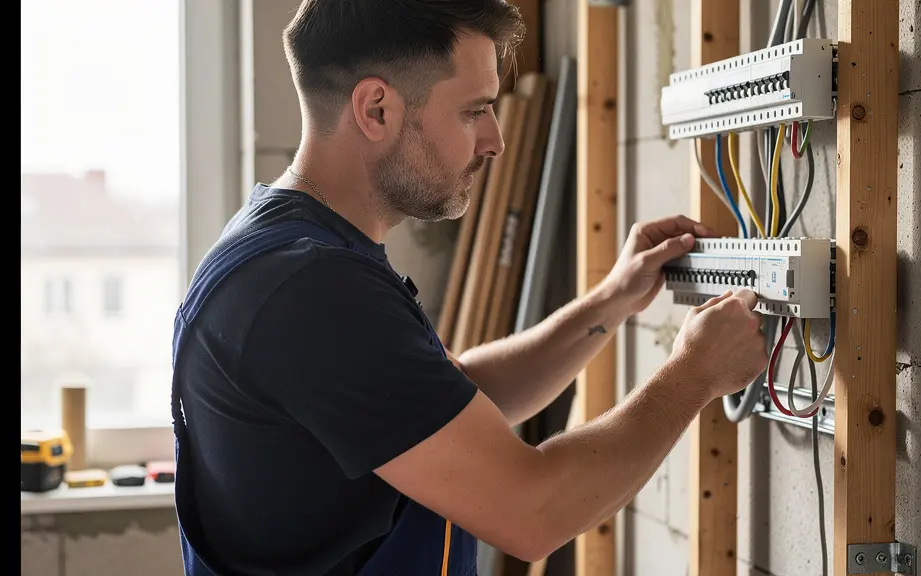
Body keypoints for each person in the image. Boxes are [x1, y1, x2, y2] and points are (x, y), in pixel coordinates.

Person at [169, 1, 769, 575]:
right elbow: (533, 513)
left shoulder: (289, 250)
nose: (496, 140)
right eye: (474, 110)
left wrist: (611, 301)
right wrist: (694, 374)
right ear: (376, 109)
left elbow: (456, 401)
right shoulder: (311, 292)